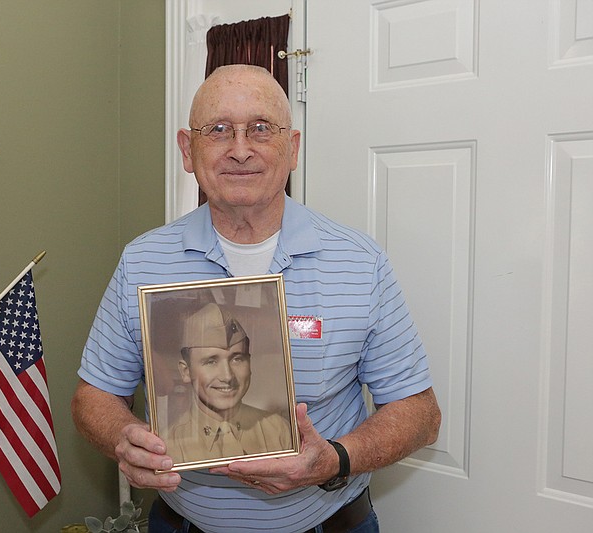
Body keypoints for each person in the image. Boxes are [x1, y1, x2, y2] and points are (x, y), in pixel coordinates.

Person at [72, 64, 441, 533]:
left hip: (329, 523)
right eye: (219, 130)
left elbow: (420, 414)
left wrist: (336, 459)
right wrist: (122, 437)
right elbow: (95, 394)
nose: (240, 150)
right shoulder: (142, 260)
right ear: (188, 150)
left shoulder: (360, 261)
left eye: (261, 129)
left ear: (293, 149)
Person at [164, 302, 292, 465]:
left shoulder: (278, 430)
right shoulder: (169, 444)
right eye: (211, 361)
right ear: (186, 371)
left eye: (237, 359)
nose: (227, 376)